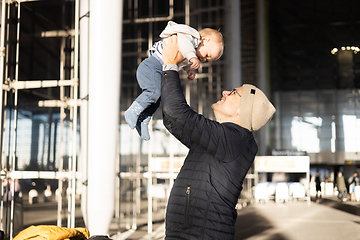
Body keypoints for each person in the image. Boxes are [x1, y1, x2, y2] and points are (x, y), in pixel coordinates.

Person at [161, 35, 276, 239]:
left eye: (232, 93)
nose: (224, 92)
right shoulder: (222, 141)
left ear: (243, 111)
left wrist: (170, 65)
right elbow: (172, 120)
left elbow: (178, 113)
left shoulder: (235, 140)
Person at [124, 21, 224, 141]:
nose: (204, 59)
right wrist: (192, 58)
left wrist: (189, 70)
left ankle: (143, 119)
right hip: (151, 66)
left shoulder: (191, 51)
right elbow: (184, 46)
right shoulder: (190, 37)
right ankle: (132, 111)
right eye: (207, 55)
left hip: (158, 70)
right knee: (154, 92)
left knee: (157, 98)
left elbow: (183, 59)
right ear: (205, 40)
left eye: (207, 59)